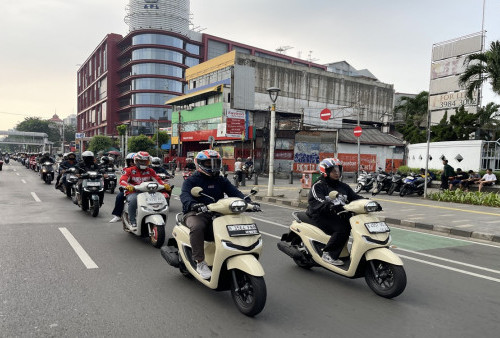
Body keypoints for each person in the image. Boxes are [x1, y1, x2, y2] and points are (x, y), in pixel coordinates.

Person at [180, 149, 259, 280]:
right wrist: (193, 204)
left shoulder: (220, 180)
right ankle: (200, 262)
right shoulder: (191, 180)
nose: (213, 166)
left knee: (235, 224)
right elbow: (185, 195)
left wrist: (248, 202)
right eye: (208, 163)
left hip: (218, 211)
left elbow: (234, 192)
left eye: (215, 163)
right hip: (197, 212)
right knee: (197, 226)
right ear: (199, 164)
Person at [306, 158, 364, 266]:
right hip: (320, 215)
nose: (337, 173)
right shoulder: (318, 186)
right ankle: (329, 254)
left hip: (337, 214)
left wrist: (367, 202)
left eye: (338, 170)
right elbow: (317, 200)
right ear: (325, 172)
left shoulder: (343, 186)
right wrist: (330, 206)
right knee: (343, 228)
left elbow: (355, 197)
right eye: (333, 171)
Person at [119, 151, 169, 227]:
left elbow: (158, 179)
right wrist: (128, 186)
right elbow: (122, 180)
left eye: (145, 161)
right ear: (136, 161)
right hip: (133, 192)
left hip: (148, 191)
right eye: (141, 161)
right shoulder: (129, 170)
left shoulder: (150, 171)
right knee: (133, 200)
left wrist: (165, 184)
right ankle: (132, 220)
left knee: (160, 198)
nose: (143, 163)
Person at [109, 153, 135, 223]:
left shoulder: (147, 170)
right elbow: (122, 180)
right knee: (119, 196)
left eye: (133, 161)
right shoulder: (126, 170)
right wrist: (127, 186)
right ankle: (117, 215)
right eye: (130, 161)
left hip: (142, 189)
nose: (131, 163)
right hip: (129, 189)